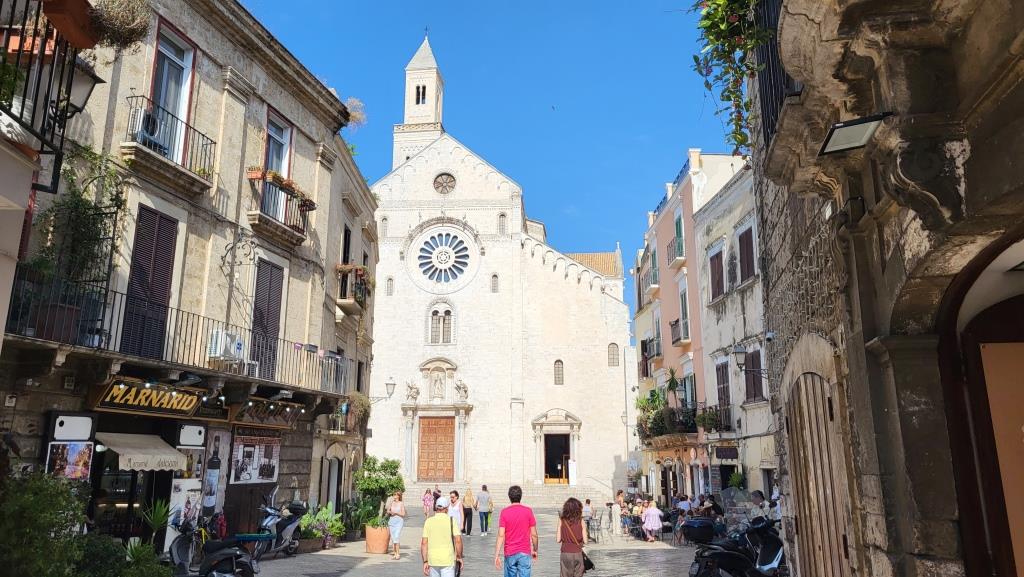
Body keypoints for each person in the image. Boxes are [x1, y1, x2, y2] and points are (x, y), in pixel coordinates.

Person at [494, 485, 538, 577]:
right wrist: (535, 549)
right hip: (524, 551)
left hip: (510, 552)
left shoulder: (504, 512)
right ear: (520, 496)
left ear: (509, 497)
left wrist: (497, 555)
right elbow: (534, 534)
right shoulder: (528, 511)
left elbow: (501, 535)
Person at [421, 496, 463, 577]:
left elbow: (424, 543)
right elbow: (458, 540)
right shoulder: (452, 521)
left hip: (433, 560)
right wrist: (459, 557)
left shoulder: (428, 521)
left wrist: (425, 561)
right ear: (446, 508)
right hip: (447, 559)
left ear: (436, 507)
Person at [556, 497, 589, 577]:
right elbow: (585, 541)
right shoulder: (581, 520)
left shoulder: (562, 520)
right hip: (577, 553)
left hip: (565, 553)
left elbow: (558, 539)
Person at [388, 490, 407, 560]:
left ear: (399, 496)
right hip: (392, 521)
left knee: (396, 536)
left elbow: (403, 514)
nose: (394, 496)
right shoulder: (391, 502)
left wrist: (396, 513)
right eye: (394, 494)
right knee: (393, 538)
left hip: (399, 522)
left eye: (396, 495)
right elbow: (388, 511)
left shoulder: (401, 503)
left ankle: (398, 554)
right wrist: (390, 512)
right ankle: (395, 553)